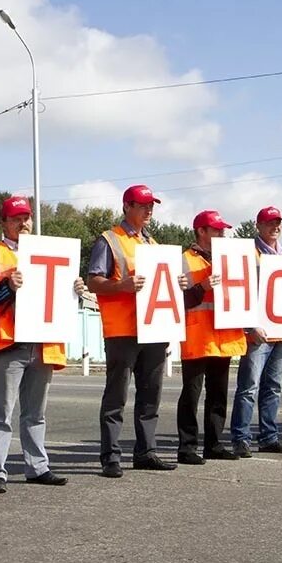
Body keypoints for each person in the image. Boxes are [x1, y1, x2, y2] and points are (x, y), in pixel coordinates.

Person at [0, 195, 80, 493]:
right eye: (16, 218)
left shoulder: (51, 251)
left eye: (27, 217)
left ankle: (37, 466)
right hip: (8, 342)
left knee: (35, 412)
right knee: (1, 412)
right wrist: (6, 287)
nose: (24, 223)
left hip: (43, 343)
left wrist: (75, 289)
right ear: (3, 223)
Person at [87, 184, 175, 477]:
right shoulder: (109, 240)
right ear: (127, 207)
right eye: (142, 205)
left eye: (151, 205)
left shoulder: (153, 244)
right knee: (116, 396)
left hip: (152, 330)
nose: (149, 210)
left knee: (151, 394)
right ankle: (110, 457)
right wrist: (121, 286)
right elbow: (93, 282)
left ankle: (146, 451)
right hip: (122, 331)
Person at [176, 210, 245, 463]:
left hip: (223, 337)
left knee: (218, 394)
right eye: (216, 230)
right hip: (197, 336)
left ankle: (214, 444)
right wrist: (202, 287)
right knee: (191, 395)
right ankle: (187, 448)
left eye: (222, 230)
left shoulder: (229, 260)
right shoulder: (184, 260)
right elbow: (177, 300)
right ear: (201, 231)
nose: (222, 233)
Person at [230, 206, 282, 456]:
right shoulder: (248, 253)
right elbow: (238, 291)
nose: (275, 227)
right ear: (258, 225)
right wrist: (249, 326)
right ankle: (240, 437)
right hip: (258, 333)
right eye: (269, 223)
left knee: (274, 387)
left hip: (281, 331)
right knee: (249, 386)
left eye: (278, 223)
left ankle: (269, 436)